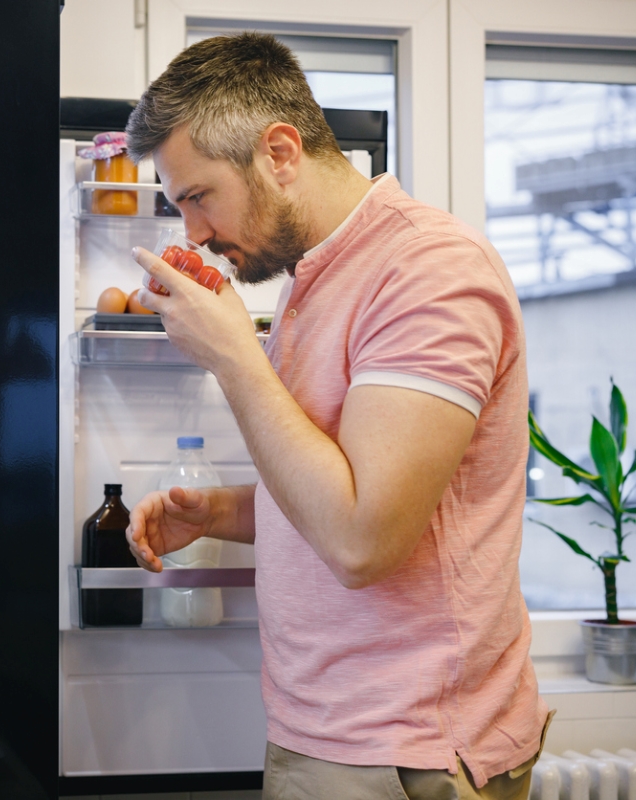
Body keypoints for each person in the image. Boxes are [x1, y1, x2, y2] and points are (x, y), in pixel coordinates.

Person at [121, 32, 551, 800]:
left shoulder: (428, 271)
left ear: (280, 153)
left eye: (197, 196)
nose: (192, 232)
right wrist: (219, 511)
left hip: (409, 753)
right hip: (328, 733)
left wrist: (235, 359)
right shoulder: (309, 282)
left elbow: (363, 541)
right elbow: (335, 489)